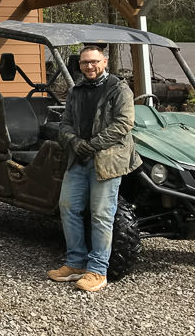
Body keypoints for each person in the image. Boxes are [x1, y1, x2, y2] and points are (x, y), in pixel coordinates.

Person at [50, 45, 140, 293]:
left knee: (101, 214)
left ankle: (98, 270)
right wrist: (76, 143)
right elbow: (65, 124)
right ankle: (76, 263)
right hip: (79, 158)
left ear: (105, 62)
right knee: (68, 207)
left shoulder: (119, 89)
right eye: (84, 63)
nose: (89, 66)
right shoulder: (76, 91)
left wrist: (92, 145)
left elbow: (124, 123)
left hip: (107, 160)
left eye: (94, 62)